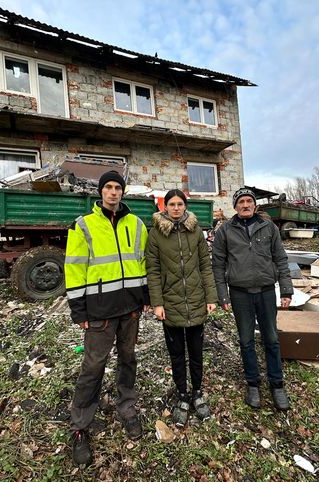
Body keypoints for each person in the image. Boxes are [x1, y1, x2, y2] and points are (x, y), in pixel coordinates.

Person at [65, 170, 149, 467]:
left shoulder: (137, 225)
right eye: (108, 187)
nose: (113, 192)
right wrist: (79, 310)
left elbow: (143, 263)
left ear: (123, 192)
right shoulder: (83, 226)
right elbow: (74, 269)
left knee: (128, 359)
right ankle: (79, 426)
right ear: (100, 192)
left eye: (118, 187)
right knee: (93, 366)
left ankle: (127, 407)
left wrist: (145, 298)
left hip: (130, 310)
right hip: (99, 311)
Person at [211, 187, 293, 411]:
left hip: (266, 291)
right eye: (241, 202)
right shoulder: (225, 231)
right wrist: (223, 295)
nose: (245, 205)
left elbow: (281, 259)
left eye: (249, 201)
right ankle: (253, 384)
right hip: (240, 294)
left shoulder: (269, 228)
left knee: (272, 339)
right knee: (246, 340)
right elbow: (217, 265)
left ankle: (277, 384)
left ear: (255, 205)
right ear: (235, 206)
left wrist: (286, 290)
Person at [145, 189, 218, 427]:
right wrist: (157, 303)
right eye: (172, 204)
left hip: (196, 300)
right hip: (170, 303)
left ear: (185, 206)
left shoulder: (195, 231)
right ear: (164, 207)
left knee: (196, 352)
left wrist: (211, 296)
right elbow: (153, 271)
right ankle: (182, 395)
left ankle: (197, 392)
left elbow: (205, 266)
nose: (176, 208)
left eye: (180, 204)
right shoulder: (155, 235)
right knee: (177, 354)